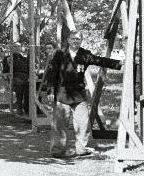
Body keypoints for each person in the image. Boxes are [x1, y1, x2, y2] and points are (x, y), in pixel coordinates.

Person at [44, 30, 122, 158]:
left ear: (81, 41)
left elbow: (99, 60)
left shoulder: (84, 54)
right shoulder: (59, 54)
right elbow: (51, 73)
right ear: (68, 40)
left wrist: (118, 64)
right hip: (62, 94)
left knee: (83, 123)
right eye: (73, 39)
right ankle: (57, 151)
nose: (75, 41)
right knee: (60, 125)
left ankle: (82, 149)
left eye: (78, 39)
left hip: (78, 95)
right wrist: (50, 90)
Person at [7, 42, 30, 114]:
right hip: (15, 77)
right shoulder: (8, 58)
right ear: (12, 48)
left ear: (21, 48)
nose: (17, 48)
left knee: (34, 84)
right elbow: (6, 71)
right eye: (15, 46)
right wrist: (9, 63)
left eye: (19, 46)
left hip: (26, 77)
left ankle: (29, 108)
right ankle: (19, 106)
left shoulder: (25, 59)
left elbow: (30, 69)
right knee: (20, 83)